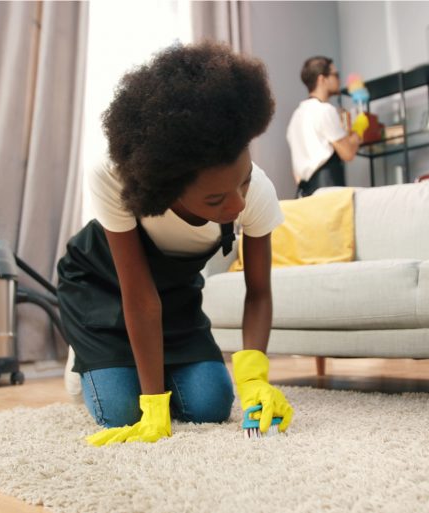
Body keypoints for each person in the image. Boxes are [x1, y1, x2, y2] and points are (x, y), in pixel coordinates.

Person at [57, 42, 294, 446]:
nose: (238, 204)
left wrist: (255, 379)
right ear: (167, 191)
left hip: (173, 296)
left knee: (210, 404)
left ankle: (146, 363)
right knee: (121, 411)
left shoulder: (256, 192)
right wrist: (152, 405)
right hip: (103, 289)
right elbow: (139, 297)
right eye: (216, 200)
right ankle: (89, 359)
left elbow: (258, 294)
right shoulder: (116, 177)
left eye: (244, 181)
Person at [286, 56, 362, 197]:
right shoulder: (325, 110)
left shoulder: (296, 117)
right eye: (335, 75)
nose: (339, 80)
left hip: (304, 194)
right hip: (328, 190)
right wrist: (359, 130)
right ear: (322, 79)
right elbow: (348, 153)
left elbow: (296, 172)